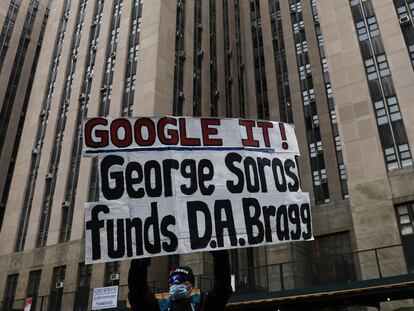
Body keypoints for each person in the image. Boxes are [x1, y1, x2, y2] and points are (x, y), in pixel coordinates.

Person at [128, 250, 233, 311]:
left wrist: (221, 257)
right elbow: (138, 295)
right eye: (172, 279)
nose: (176, 282)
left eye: (181, 279)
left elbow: (223, 289)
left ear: (191, 286)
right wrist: (139, 266)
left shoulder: (203, 305)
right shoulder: (159, 308)